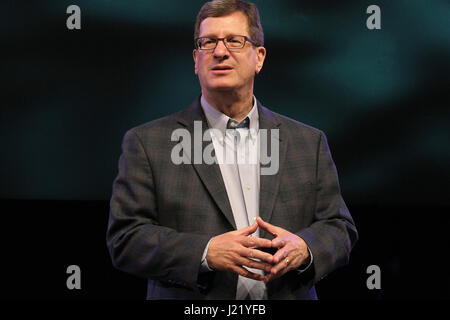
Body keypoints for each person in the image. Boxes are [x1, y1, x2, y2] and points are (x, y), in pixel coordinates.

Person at [106, 0, 358, 300]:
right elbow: (125, 239)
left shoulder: (308, 142)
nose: (220, 52)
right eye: (208, 42)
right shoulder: (148, 143)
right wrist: (205, 251)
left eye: (234, 41)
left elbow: (339, 228)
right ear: (196, 60)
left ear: (259, 57)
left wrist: (305, 248)